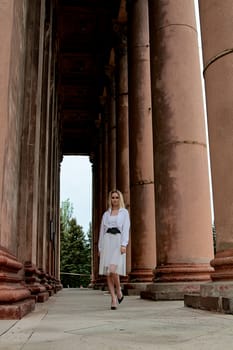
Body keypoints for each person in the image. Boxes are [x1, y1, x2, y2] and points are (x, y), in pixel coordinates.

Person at [98, 189, 130, 310]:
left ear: (119, 199)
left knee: (113, 269)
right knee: (108, 273)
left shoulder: (124, 213)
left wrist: (124, 244)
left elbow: (126, 229)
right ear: (110, 199)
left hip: (118, 242)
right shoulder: (106, 214)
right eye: (113, 198)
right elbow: (102, 231)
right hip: (107, 241)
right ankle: (113, 299)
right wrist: (100, 247)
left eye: (117, 197)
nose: (115, 200)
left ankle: (118, 289)